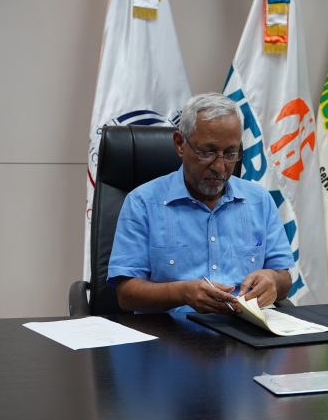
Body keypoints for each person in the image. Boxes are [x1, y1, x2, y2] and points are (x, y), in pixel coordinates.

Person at [107, 92, 294, 313]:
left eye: (230, 153)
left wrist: (272, 280)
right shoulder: (142, 203)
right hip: (171, 330)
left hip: (244, 327)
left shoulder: (259, 200)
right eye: (207, 152)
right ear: (180, 144)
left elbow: (284, 279)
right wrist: (181, 294)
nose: (220, 167)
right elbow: (126, 294)